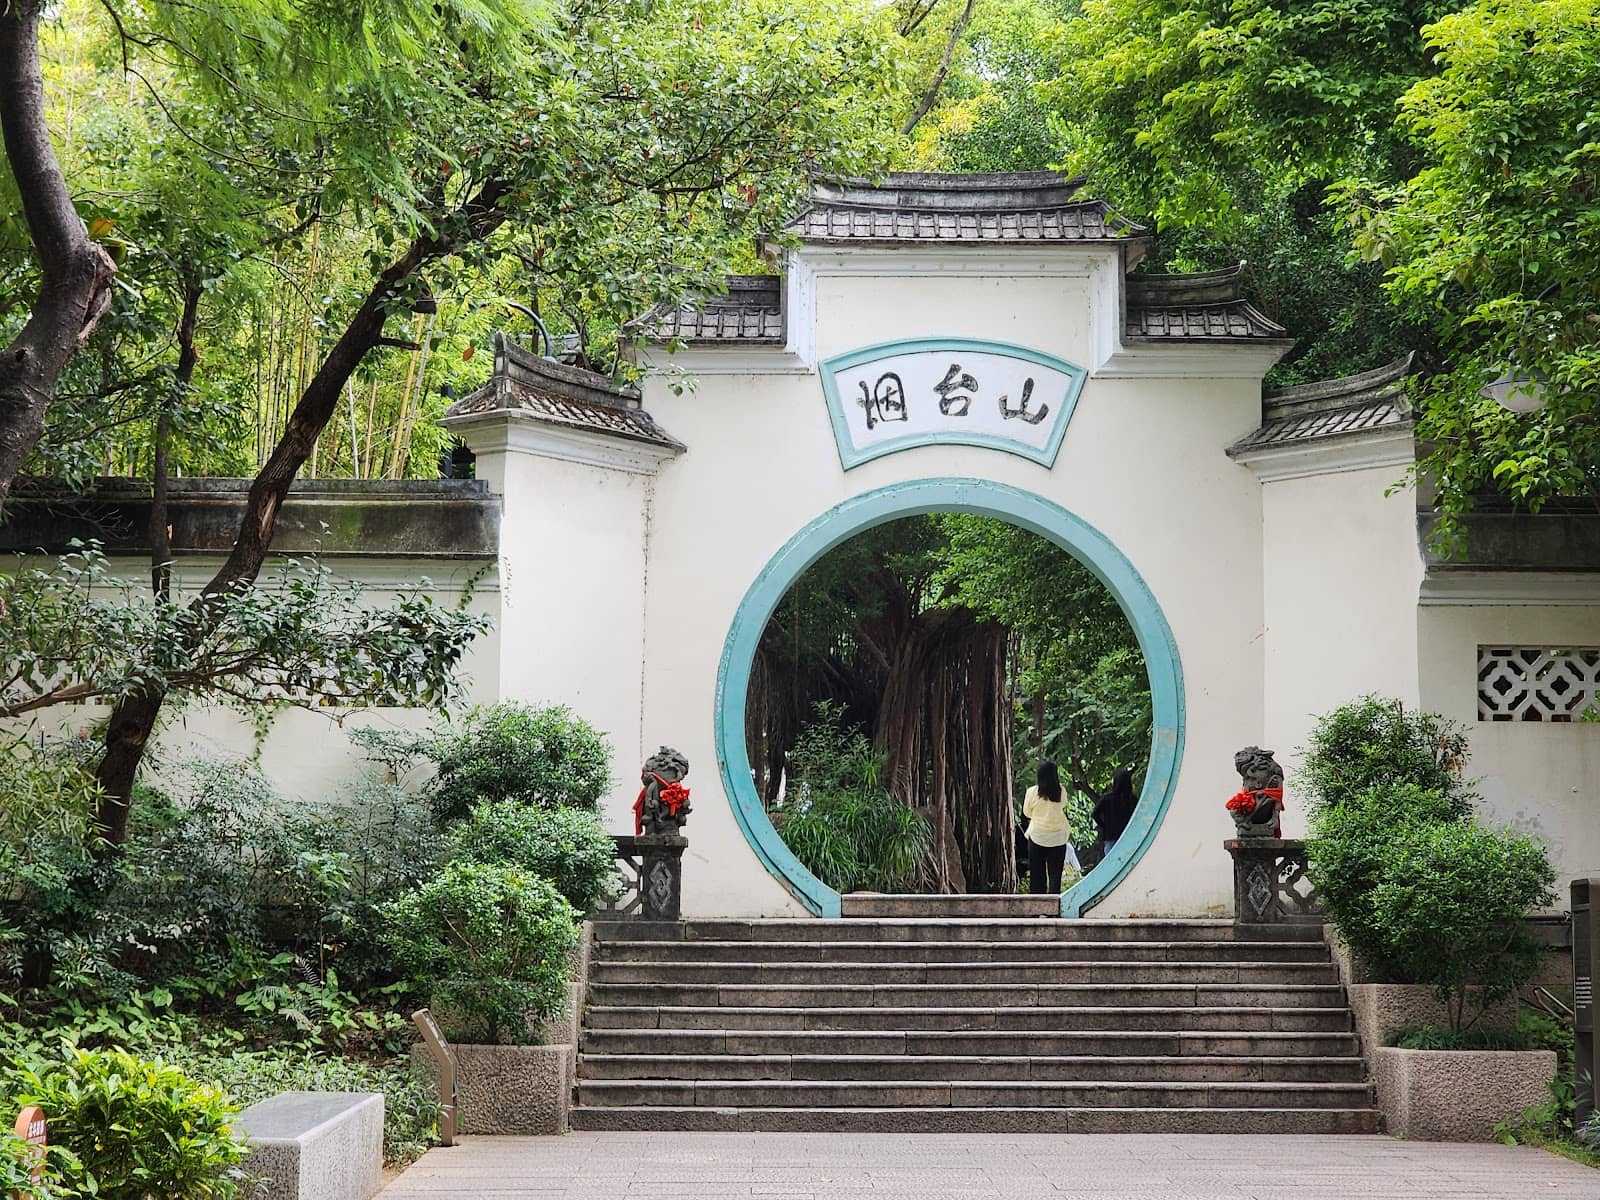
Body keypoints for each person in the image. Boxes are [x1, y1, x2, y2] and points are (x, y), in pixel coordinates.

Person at [1022, 760, 1072, 895]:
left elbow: (1027, 812)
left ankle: (1037, 905)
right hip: (1058, 838)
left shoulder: (1031, 792)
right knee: (1055, 877)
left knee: (1037, 876)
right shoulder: (1061, 791)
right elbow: (1063, 804)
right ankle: (1054, 905)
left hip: (1037, 836)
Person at [1093, 768, 1137, 858]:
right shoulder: (1132, 800)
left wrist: (1104, 826)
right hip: (1128, 837)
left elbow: (1095, 814)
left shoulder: (1106, 799)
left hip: (1111, 837)